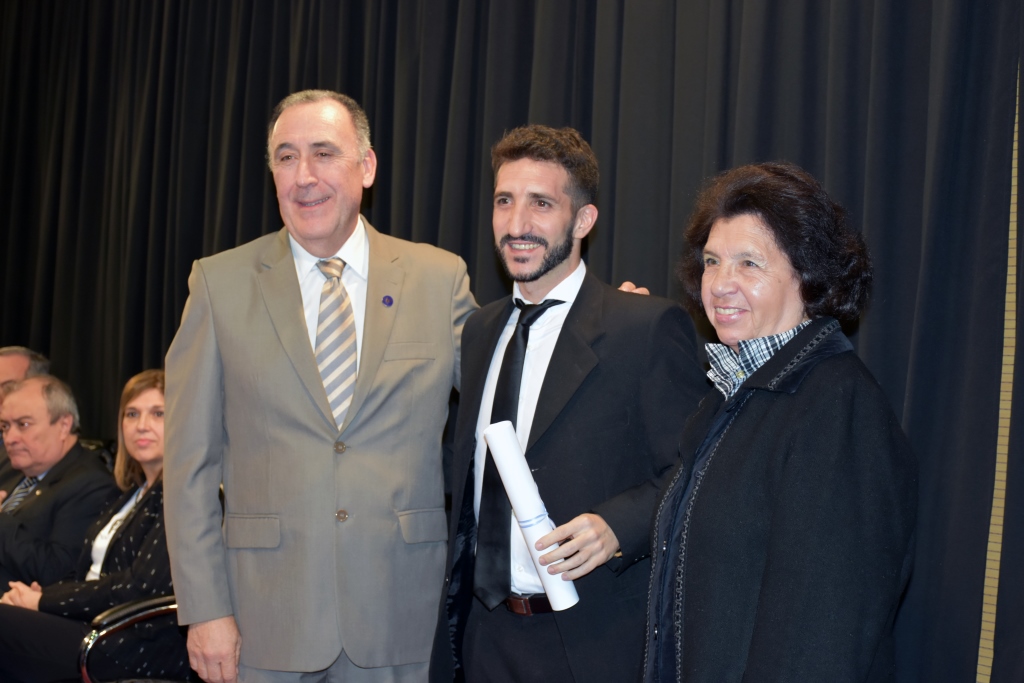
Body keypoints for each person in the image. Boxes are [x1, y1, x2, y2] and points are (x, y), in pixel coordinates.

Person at [164, 89, 478, 683]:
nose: (303, 176)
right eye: (286, 157)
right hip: (264, 621)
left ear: (367, 166)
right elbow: (189, 467)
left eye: (323, 153)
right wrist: (204, 611)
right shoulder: (218, 284)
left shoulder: (439, 279)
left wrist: (591, 321)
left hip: (399, 617)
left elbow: (504, 391)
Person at [429, 125, 706, 683]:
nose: (517, 225)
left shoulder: (645, 328)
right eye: (504, 201)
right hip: (483, 638)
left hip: (590, 645)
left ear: (583, 221)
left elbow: (696, 472)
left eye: (541, 204)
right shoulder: (480, 330)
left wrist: (617, 526)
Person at [643, 161, 917, 682]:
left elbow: (821, 642)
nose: (721, 284)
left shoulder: (838, 409)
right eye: (712, 261)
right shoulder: (725, 400)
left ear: (808, 275)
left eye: (749, 264)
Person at [0, 369, 189, 682]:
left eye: (158, 413)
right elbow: (84, 572)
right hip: (91, 626)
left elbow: (138, 587)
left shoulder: (180, 495)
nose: (142, 425)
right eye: (132, 413)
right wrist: (40, 594)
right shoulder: (131, 495)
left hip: (128, 644)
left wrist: (45, 600)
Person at [0, 375, 118, 586]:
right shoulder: (12, 467)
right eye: (5, 426)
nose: (10, 438)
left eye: (23, 424)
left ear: (64, 425)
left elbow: (59, 572)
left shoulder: (91, 485)